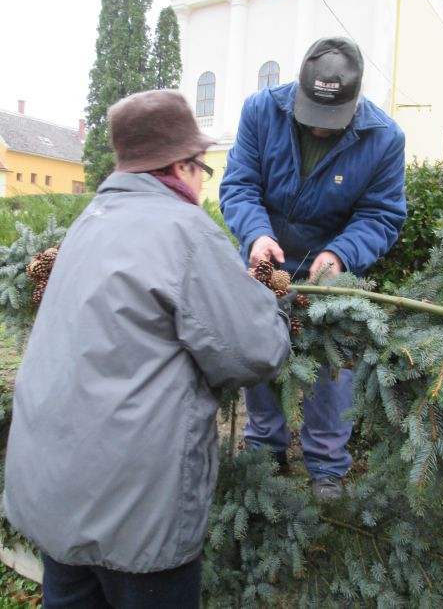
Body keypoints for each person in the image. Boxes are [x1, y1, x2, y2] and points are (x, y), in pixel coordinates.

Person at [4, 89, 291, 609]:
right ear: (182, 166)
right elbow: (252, 352)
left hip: (54, 496)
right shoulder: (185, 230)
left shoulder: (86, 225)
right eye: (203, 166)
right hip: (138, 514)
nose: (204, 182)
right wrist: (270, 303)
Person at [220, 36, 406, 500]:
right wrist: (257, 235)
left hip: (329, 264)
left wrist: (340, 255)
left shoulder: (384, 138)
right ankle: (266, 447)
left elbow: (381, 215)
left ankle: (327, 464)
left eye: (332, 121)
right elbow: (239, 185)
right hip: (267, 255)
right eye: (312, 118)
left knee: (333, 361)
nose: (320, 129)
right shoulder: (261, 111)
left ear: (355, 100)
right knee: (259, 349)